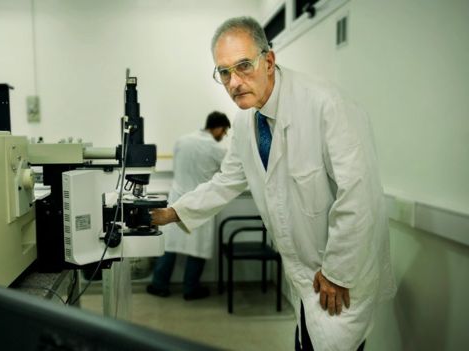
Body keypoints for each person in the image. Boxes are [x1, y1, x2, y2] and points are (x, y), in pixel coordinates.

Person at [151, 17, 396, 350]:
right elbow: (226, 181)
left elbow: (359, 196)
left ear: (269, 60)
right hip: (306, 275)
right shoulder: (246, 121)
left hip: (341, 276)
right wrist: (171, 213)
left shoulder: (326, 105)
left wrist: (339, 272)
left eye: (243, 66)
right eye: (224, 73)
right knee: (307, 341)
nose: (234, 82)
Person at [147, 111, 230, 301]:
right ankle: (190, 289)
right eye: (224, 131)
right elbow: (226, 174)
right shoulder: (218, 150)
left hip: (177, 199)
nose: (223, 135)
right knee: (198, 248)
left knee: (169, 245)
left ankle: (159, 285)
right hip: (200, 202)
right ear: (217, 128)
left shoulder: (182, 141)